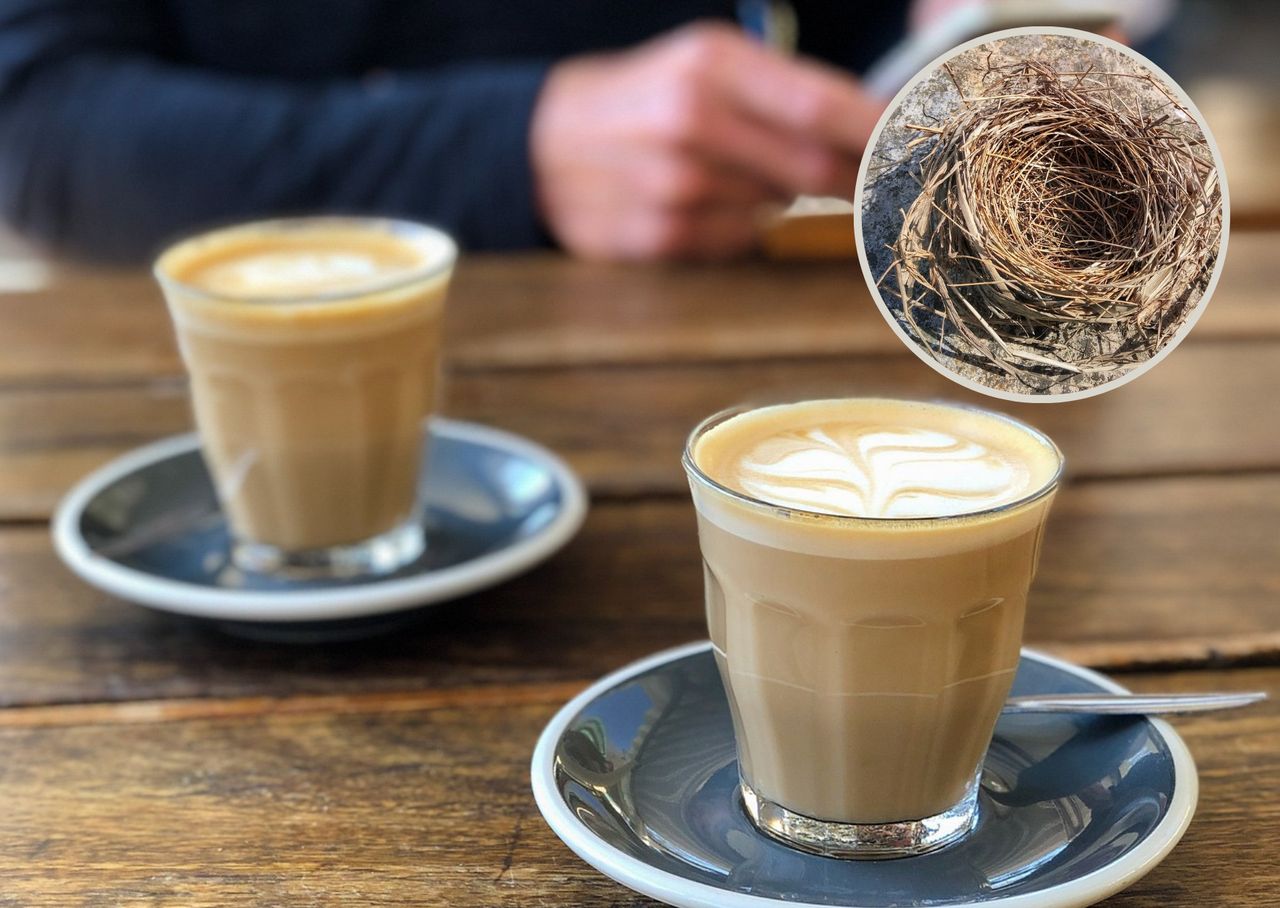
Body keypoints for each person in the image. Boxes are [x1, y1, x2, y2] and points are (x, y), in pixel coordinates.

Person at [0, 2, 903, 263]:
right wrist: (516, 147)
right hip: (217, 397)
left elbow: (841, 32)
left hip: (723, 322)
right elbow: (36, 119)